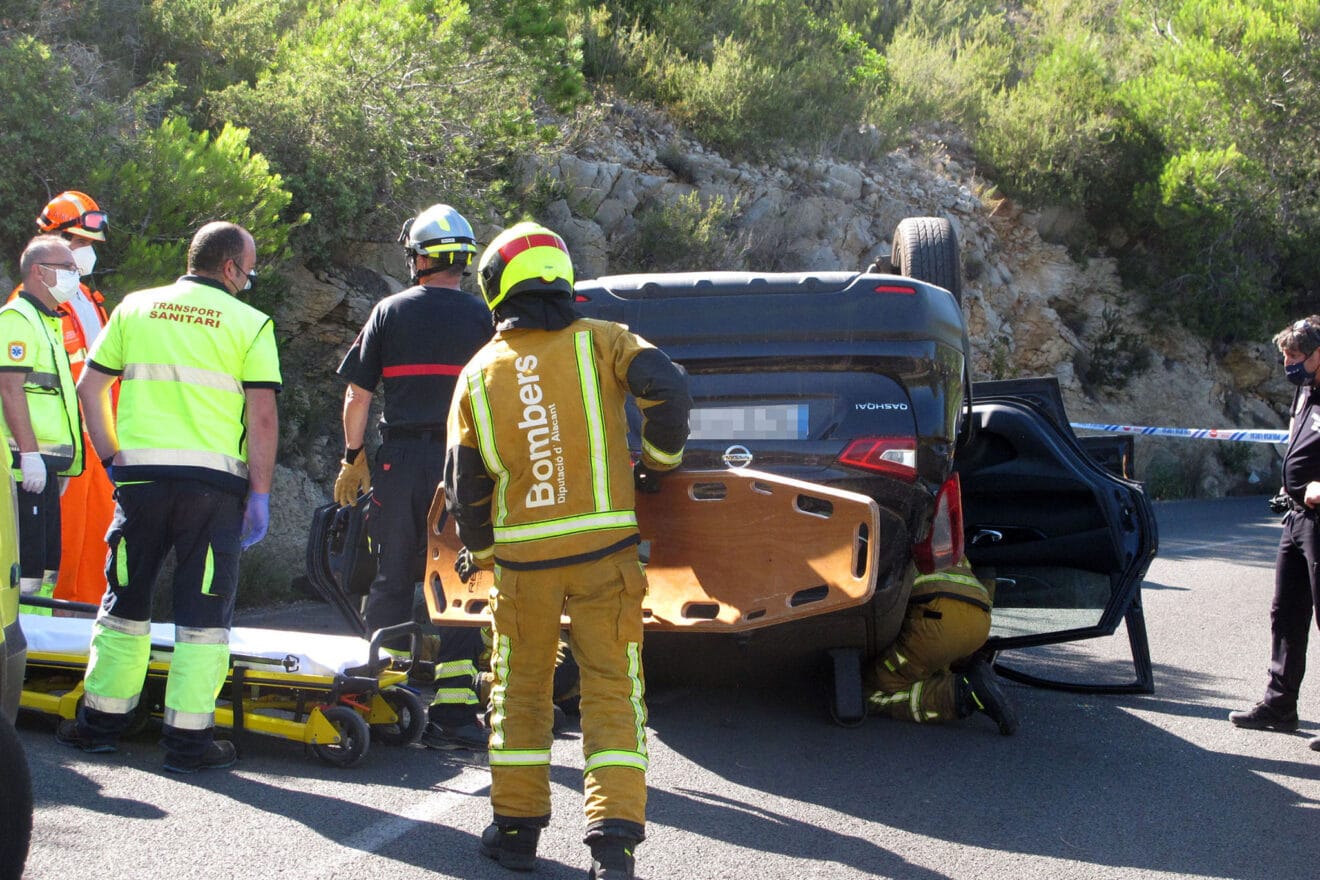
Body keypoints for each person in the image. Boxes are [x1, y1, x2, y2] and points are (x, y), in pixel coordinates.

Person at [446, 221, 691, 879]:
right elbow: (668, 389)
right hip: (606, 556)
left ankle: (517, 832)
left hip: (523, 569)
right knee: (612, 690)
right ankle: (614, 845)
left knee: (519, 691)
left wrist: (486, 553)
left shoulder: (476, 374)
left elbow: (464, 485)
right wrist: (658, 466)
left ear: (497, 290)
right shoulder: (605, 341)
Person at [63, 221, 281, 773]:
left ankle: (100, 726)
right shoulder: (250, 324)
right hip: (215, 492)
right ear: (230, 268)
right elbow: (261, 416)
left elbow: (90, 388)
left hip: (140, 482)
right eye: (248, 274)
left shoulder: (136, 307)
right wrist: (261, 493)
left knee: (125, 605)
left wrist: (111, 457)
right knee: (204, 614)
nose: (246, 284)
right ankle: (188, 743)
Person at [333, 203, 493, 750]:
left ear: (421, 257)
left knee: (392, 575)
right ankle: (455, 711)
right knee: (458, 577)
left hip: (400, 462)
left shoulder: (390, 311)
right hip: (462, 463)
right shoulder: (483, 319)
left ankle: (377, 695)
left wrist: (353, 456)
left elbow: (357, 394)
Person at [19, 191, 116, 606]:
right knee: (59, 548)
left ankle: (85, 625)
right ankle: (46, 631)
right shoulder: (29, 308)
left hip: (98, 446)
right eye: (79, 243)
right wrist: (30, 452)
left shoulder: (89, 301)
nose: (86, 253)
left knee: (96, 543)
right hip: (60, 449)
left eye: (90, 245)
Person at [1230, 316, 1320, 752]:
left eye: (1296, 355)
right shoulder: (1305, 390)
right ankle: (1280, 706)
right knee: (1286, 613)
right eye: (1285, 354)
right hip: (1297, 516)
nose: (1288, 363)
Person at [0, 236, 86, 616]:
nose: (75, 274)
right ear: (39, 271)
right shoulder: (17, 320)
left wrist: (58, 464)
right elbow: (10, 388)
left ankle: (38, 640)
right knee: (28, 565)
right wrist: (31, 455)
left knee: (47, 564)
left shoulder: (48, 322)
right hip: (23, 465)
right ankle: (23, 641)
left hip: (45, 466)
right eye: (66, 267)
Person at [865, 556, 1018, 735]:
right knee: (933, 662)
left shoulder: (891, 533)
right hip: (979, 624)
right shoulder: (948, 539)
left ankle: (962, 694)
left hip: (934, 629)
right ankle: (972, 665)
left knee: (868, 693)